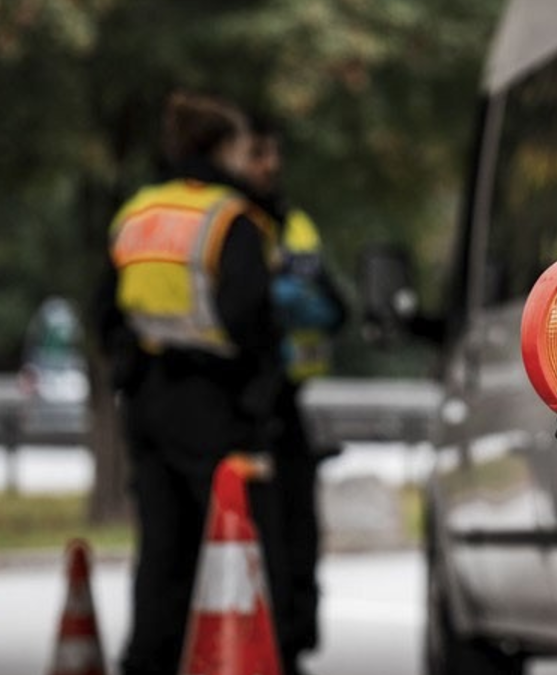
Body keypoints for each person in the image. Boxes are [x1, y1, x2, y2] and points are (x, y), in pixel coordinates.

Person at [95, 90, 287, 675]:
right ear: (223, 147)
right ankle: (234, 660)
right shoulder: (231, 218)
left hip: (146, 395)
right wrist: (261, 400)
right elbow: (251, 315)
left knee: (161, 547)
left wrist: (130, 365)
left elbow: (105, 310)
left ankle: (147, 660)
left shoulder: (137, 213)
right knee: (238, 537)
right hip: (214, 397)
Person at [234, 113, 347, 670]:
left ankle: (294, 639)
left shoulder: (294, 225)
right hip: (234, 401)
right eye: (258, 154)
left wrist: (305, 305)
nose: (270, 166)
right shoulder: (228, 221)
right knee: (257, 531)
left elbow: (336, 308)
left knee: (297, 531)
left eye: (274, 153)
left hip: (286, 402)